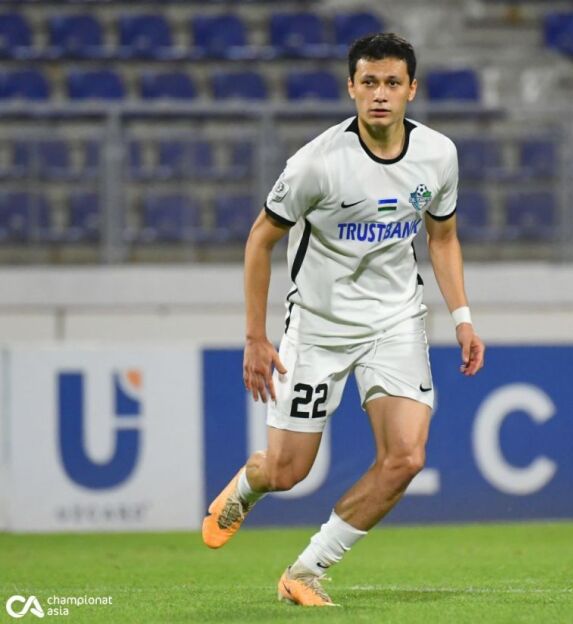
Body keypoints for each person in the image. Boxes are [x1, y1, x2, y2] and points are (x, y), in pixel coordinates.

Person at [201, 32, 485, 608]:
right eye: (369, 82)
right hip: (319, 327)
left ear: (412, 89)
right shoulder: (316, 164)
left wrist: (462, 317)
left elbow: (443, 237)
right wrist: (255, 336)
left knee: (406, 457)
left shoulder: (438, 155)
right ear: (351, 87)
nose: (380, 94)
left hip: (395, 320)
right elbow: (259, 241)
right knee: (288, 472)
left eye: (392, 83)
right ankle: (249, 485)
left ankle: (306, 570)